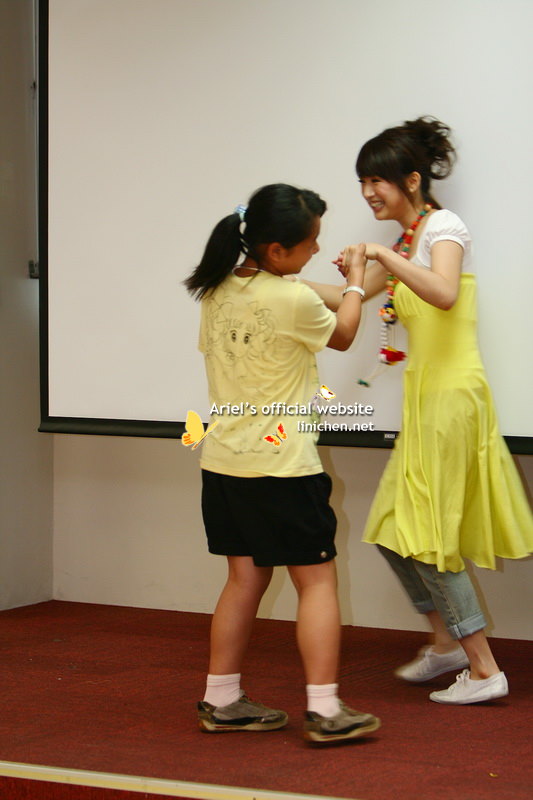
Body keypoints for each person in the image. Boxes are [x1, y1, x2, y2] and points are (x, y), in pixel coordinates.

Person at [306, 117, 533, 705]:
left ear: (411, 180)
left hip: (453, 399)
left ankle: (483, 670)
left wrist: (381, 253)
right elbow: (352, 297)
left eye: (376, 181)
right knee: (391, 530)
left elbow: (445, 292)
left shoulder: (444, 227)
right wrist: (281, 283)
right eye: (362, 182)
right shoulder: (408, 242)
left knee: (428, 535)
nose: (367, 193)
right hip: (425, 400)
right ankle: (447, 643)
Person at [184, 183, 380, 743]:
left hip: (224, 464)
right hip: (283, 467)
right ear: (276, 250)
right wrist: (354, 282)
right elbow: (344, 333)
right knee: (316, 582)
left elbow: (292, 303)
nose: (316, 249)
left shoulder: (217, 289)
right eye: (310, 242)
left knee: (243, 579)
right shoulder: (291, 300)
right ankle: (325, 709)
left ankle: (222, 700)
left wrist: (356, 280)